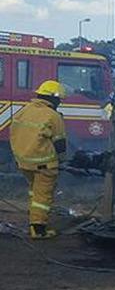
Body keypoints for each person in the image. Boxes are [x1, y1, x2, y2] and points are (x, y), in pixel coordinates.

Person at [10, 80, 67, 239]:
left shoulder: (24, 110)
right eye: (59, 100)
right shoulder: (53, 116)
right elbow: (60, 144)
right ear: (54, 99)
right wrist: (62, 161)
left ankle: (33, 216)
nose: (59, 103)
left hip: (23, 162)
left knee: (34, 192)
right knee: (42, 197)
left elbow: (14, 133)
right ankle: (38, 229)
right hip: (44, 164)